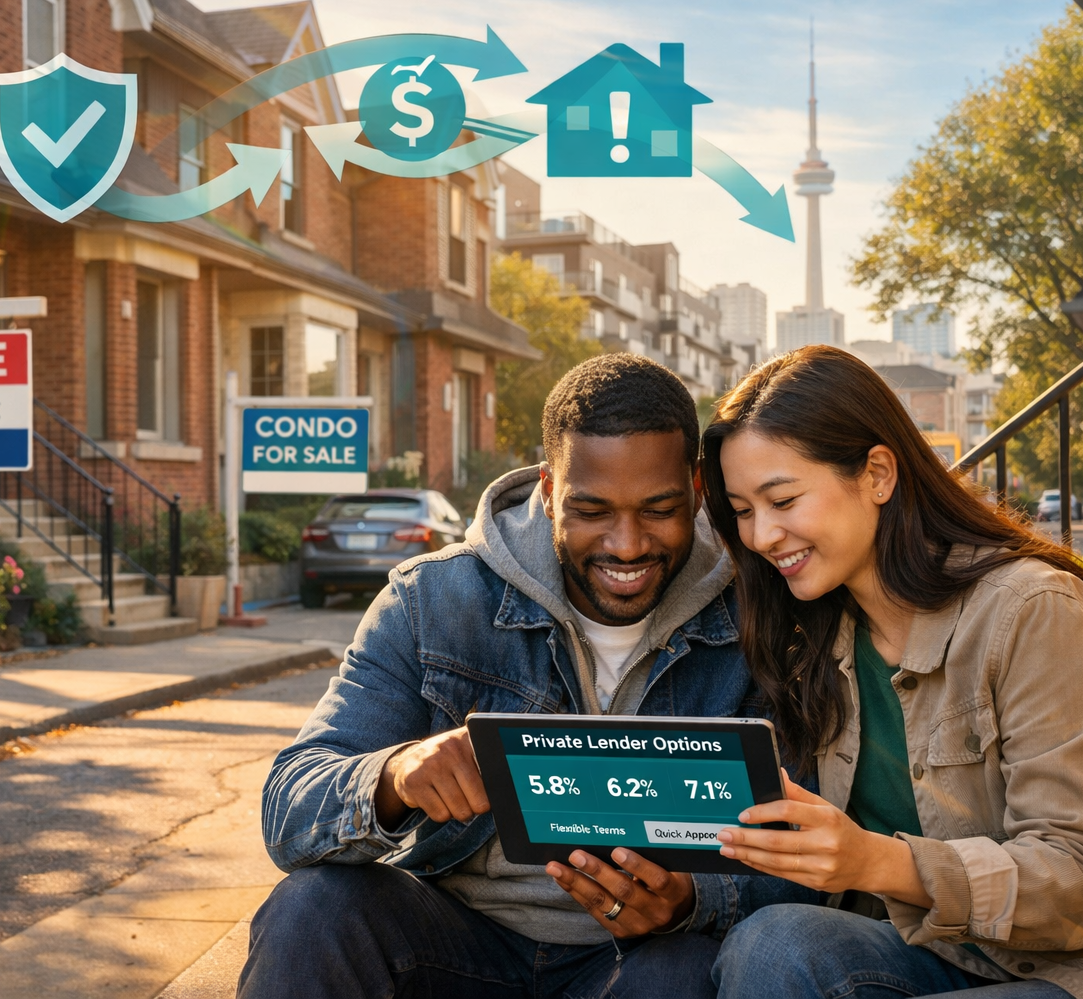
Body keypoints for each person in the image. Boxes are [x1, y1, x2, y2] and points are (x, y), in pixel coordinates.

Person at [238, 354, 813, 999]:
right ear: (546, 489)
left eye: (658, 509)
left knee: (684, 973)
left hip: (643, 959)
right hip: (456, 938)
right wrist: (395, 777)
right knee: (311, 908)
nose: (626, 545)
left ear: (698, 491)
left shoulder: (762, 616)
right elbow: (289, 808)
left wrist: (691, 902)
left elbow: (812, 858)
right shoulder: (433, 602)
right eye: (591, 510)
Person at [699, 345, 1083, 999]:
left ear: (877, 474)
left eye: (782, 499)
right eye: (742, 510)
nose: (760, 536)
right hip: (954, 954)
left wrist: (877, 862)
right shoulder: (821, 634)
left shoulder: (1035, 613)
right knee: (773, 944)